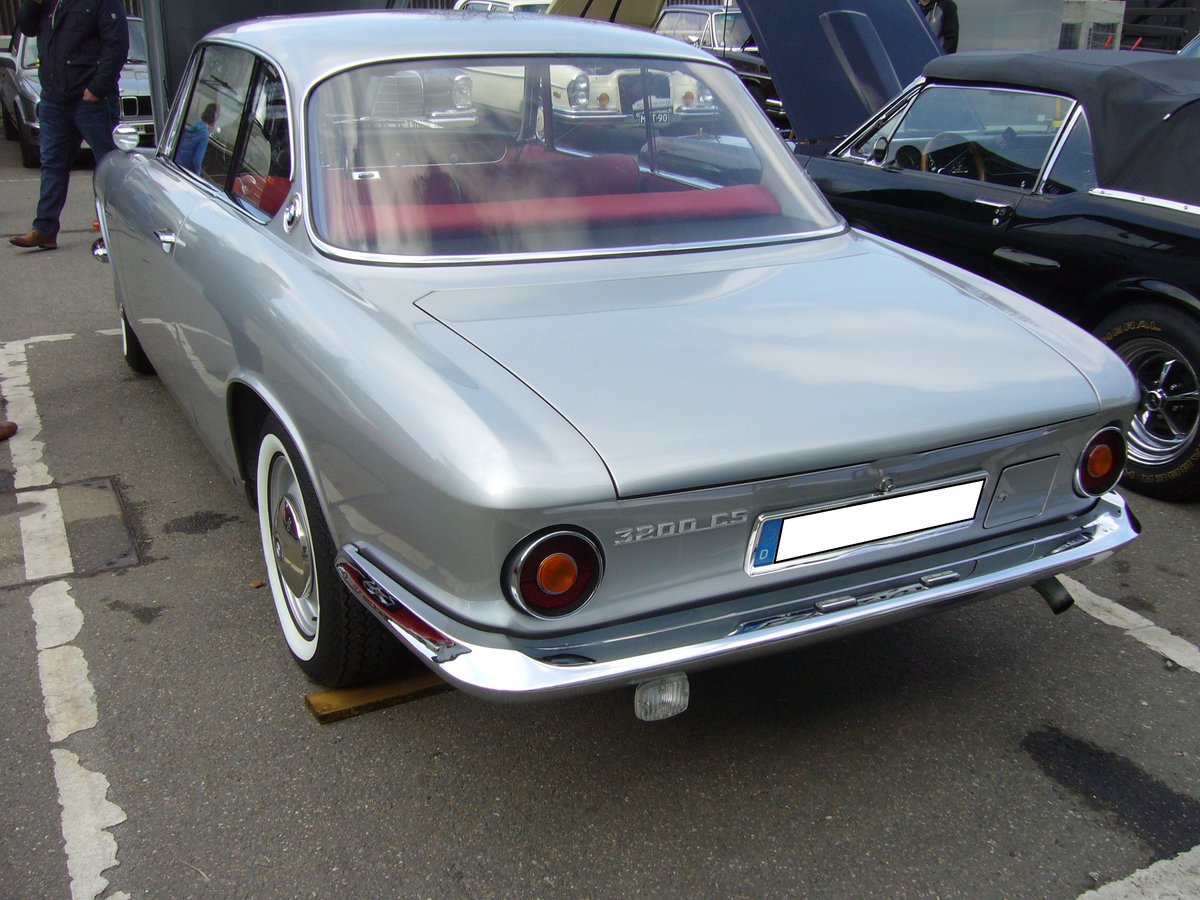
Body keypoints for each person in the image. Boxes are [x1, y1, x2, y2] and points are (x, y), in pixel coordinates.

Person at [8, 0, 129, 252]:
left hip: (91, 99)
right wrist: (33, 4)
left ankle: (115, 231)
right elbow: (28, 28)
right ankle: (44, 229)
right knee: (52, 163)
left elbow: (116, 44)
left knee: (107, 166)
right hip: (54, 98)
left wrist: (97, 88)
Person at [176, 103, 217, 174]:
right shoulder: (204, 134)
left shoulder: (195, 126)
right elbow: (197, 161)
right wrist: (197, 176)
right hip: (184, 171)